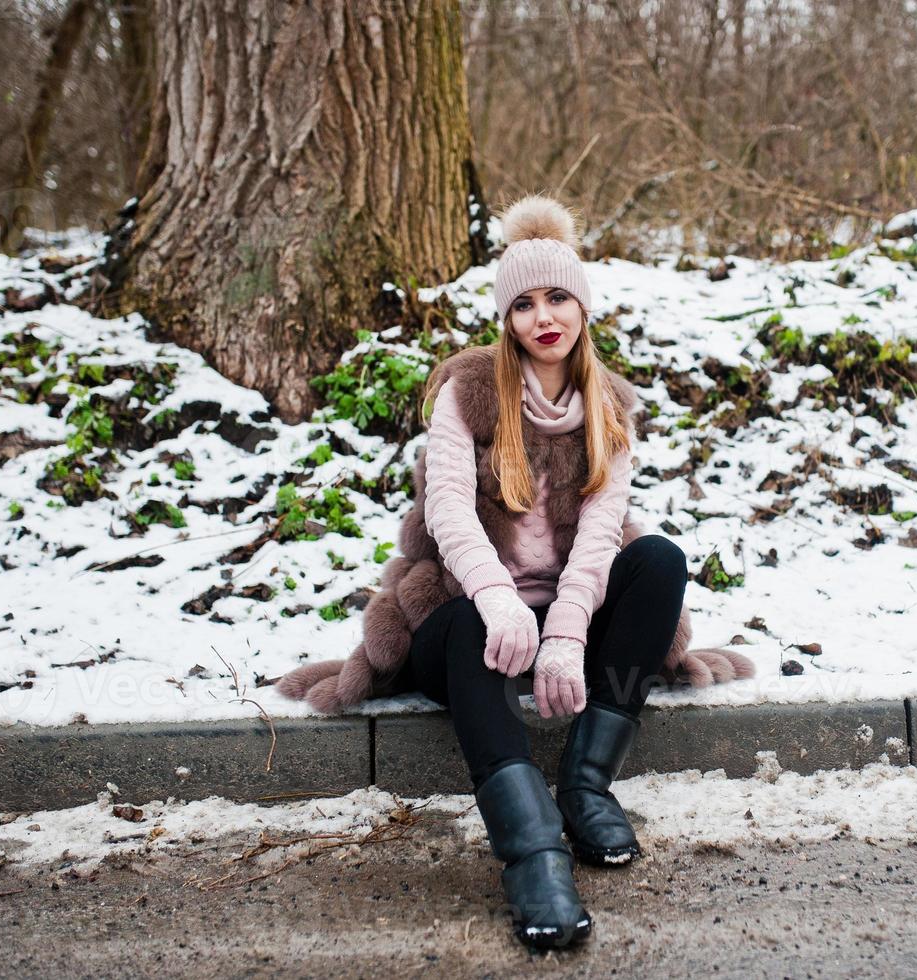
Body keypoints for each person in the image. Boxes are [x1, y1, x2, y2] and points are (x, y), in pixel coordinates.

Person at [276, 194, 754, 949]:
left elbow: (600, 535)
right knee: (464, 621)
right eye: (524, 303)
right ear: (506, 318)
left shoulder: (608, 407)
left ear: (582, 308)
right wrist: (500, 601)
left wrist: (564, 634)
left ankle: (587, 786)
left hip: (570, 612)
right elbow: (449, 516)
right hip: (467, 620)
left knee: (657, 559)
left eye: (558, 297)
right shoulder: (468, 392)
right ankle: (532, 854)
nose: (543, 317)